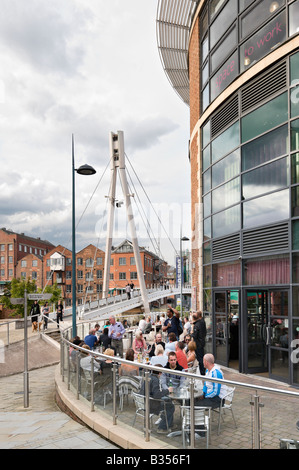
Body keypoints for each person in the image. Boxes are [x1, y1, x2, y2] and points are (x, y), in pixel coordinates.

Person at [140, 364, 175, 434]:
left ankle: (168, 423)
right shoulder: (155, 380)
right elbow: (157, 395)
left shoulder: (148, 376)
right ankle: (163, 427)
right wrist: (168, 390)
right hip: (151, 405)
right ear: (160, 373)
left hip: (144, 403)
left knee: (167, 401)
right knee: (170, 405)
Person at [191, 311, 206, 375]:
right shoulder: (202, 322)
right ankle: (203, 370)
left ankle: (202, 372)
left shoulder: (196, 325)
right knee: (201, 357)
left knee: (200, 358)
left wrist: (192, 333)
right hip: (202, 342)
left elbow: (195, 335)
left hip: (198, 343)